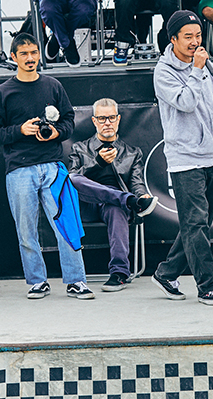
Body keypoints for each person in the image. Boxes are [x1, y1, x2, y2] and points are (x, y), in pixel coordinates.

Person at [151, 10, 213, 305]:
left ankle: (166, 273)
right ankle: (207, 286)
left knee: (198, 225)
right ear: (172, 39)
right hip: (185, 160)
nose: (195, 42)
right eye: (188, 37)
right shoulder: (163, 72)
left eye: (198, 35)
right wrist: (196, 70)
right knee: (195, 225)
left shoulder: (206, 63)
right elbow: (186, 102)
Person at [0, 33, 95, 300]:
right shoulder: (2, 93)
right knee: (26, 230)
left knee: (66, 225)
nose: (30, 58)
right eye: (24, 53)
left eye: (34, 52)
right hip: (19, 169)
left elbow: (68, 120)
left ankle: (76, 281)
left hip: (54, 166)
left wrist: (56, 132)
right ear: (14, 57)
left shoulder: (53, 85)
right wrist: (20, 130)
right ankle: (37, 281)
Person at [68, 98, 159, 291]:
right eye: (102, 118)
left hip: (113, 207)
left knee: (116, 207)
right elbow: (71, 181)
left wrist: (141, 195)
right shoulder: (80, 148)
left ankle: (119, 273)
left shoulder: (132, 153)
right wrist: (98, 163)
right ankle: (128, 200)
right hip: (86, 205)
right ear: (94, 121)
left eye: (111, 118)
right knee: (72, 178)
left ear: (118, 119)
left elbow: (136, 182)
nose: (107, 123)